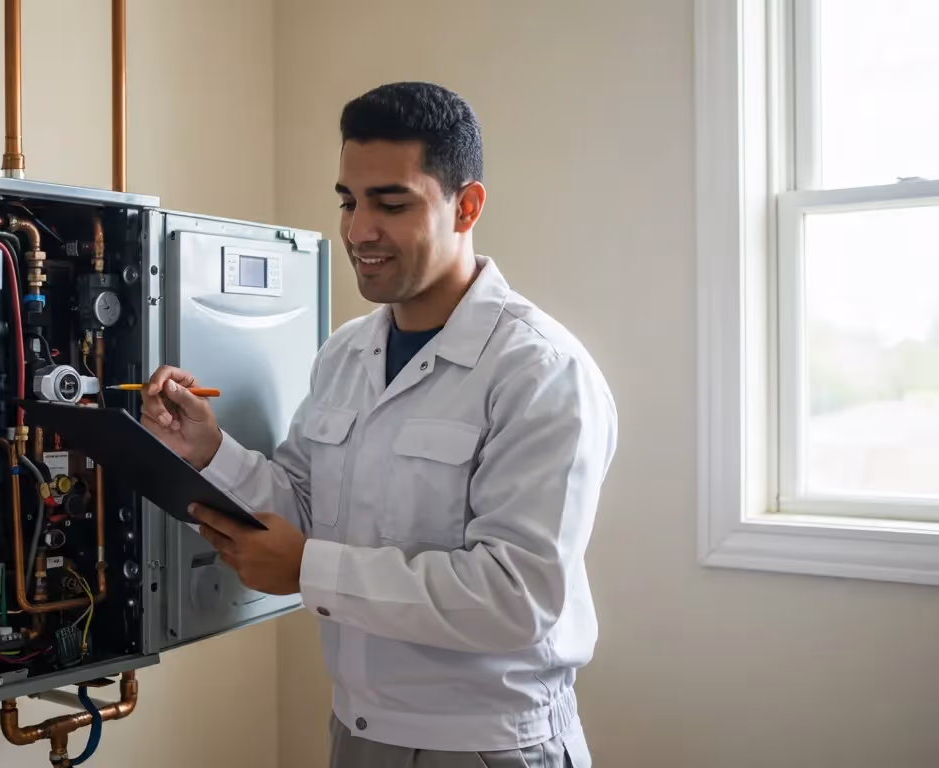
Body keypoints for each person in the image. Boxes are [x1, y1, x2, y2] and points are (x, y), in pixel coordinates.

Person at [141, 81, 615, 768]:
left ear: (466, 206)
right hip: (358, 733)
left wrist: (309, 569)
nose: (358, 230)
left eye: (391, 204)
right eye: (348, 201)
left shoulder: (539, 371)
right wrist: (208, 449)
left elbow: (516, 597)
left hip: (491, 746)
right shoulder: (345, 353)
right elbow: (302, 509)